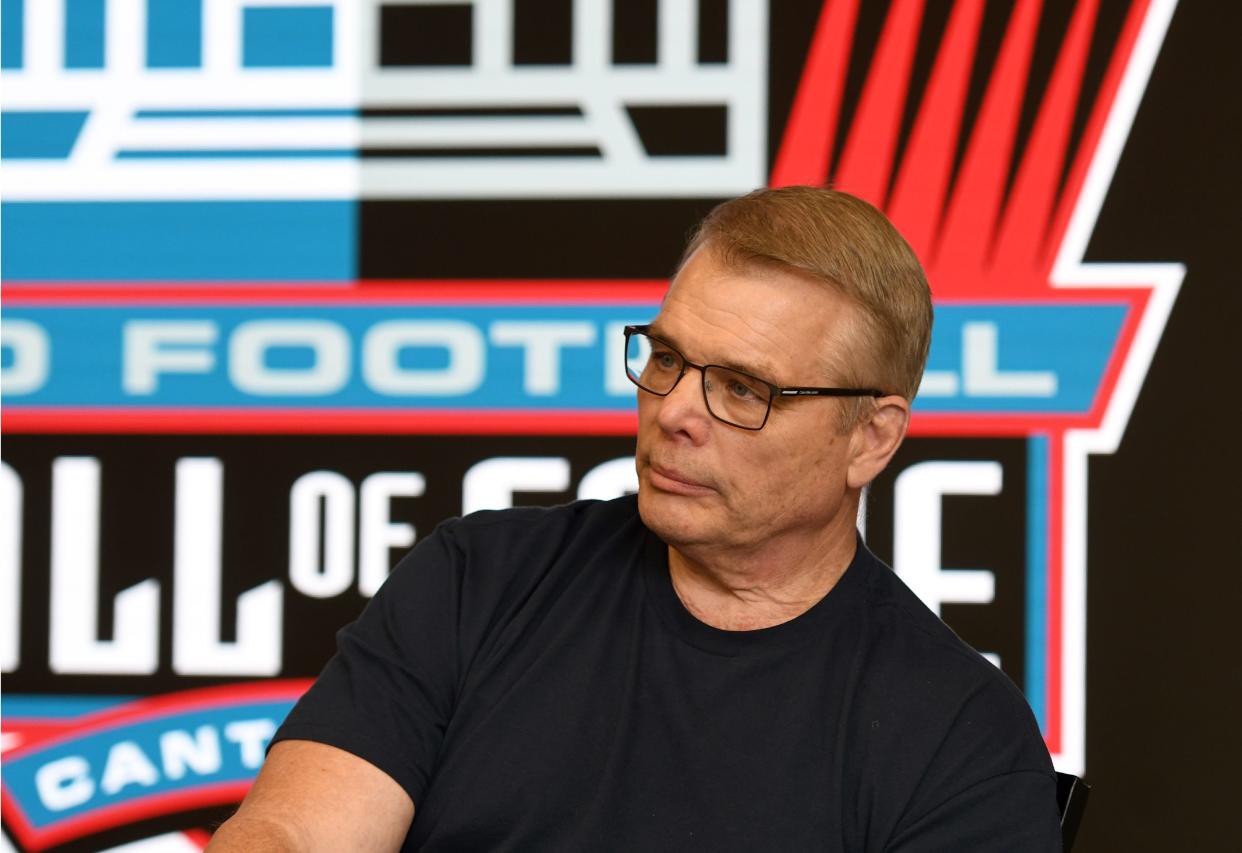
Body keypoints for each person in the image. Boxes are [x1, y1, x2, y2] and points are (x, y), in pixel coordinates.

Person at [207, 187, 1061, 851]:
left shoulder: (958, 737)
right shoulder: (478, 582)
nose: (676, 411)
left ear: (870, 438)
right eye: (665, 357)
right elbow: (295, 829)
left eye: (741, 389)